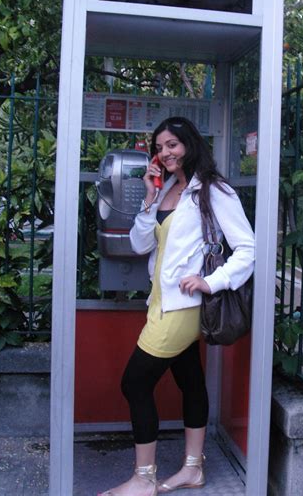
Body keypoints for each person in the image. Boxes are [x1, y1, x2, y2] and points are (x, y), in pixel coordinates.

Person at [99, 117, 255, 496]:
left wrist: (211, 281)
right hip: (160, 300)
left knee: (134, 383)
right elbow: (140, 245)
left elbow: (248, 248)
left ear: (189, 143)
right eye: (160, 146)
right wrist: (149, 197)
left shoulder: (212, 189)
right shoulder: (167, 186)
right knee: (191, 381)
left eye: (173, 144)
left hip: (182, 307)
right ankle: (192, 470)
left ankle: (144, 478)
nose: (165, 152)